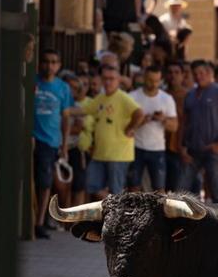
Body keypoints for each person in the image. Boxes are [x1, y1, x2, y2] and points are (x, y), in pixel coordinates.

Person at [80, 64, 144, 199]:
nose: (108, 82)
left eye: (112, 79)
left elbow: (139, 113)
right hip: (100, 153)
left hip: (119, 155)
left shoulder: (122, 97)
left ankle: (119, 209)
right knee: (91, 186)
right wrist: (66, 111)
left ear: (118, 80)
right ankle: (118, 207)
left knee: (115, 191)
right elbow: (85, 110)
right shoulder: (101, 98)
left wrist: (131, 128)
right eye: (105, 78)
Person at [32, 49, 73, 238]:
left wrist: (64, 145)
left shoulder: (63, 88)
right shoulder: (33, 82)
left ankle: (40, 222)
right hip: (32, 138)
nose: (49, 65)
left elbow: (66, 118)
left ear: (59, 65)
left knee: (45, 182)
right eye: (46, 61)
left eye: (53, 62)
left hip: (50, 142)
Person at [182, 60, 218, 203]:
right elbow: (185, 122)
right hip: (192, 149)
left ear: (209, 73)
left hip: (213, 149)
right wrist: (182, 146)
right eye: (195, 74)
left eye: (201, 73)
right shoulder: (190, 94)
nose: (198, 76)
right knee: (181, 188)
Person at [128, 66, 177, 192]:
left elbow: (174, 127)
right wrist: (141, 121)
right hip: (136, 147)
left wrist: (163, 119)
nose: (154, 84)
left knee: (159, 188)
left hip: (157, 149)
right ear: (144, 78)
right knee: (133, 186)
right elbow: (126, 125)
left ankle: (159, 207)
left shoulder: (166, 99)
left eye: (157, 81)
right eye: (150, 80)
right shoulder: (132, 97)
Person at [65, 73, 94, 208]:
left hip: (76, 148)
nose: (73, 90)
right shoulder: (60, 102)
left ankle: (76, 216)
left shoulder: (80, 106)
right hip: (58, 148)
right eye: (70, 87)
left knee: (79, 186)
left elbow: (78, 128)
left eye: (76, 88)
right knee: (63, 186)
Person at [164, 61, 192, 192]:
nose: (173, 76)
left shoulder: (188, 96)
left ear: (182, 75)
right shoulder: (160, 95)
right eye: (170, 72)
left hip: (180, 148)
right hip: (160, 147)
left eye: (177, 72)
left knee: (178, 190)